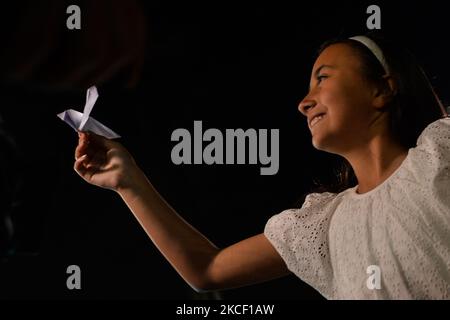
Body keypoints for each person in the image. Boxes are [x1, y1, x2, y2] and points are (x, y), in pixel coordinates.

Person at [73, 33, 450, 299]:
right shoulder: (324, 223)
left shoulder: (440, 154)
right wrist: (129, 182)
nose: (305, 102)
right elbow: (207, 270)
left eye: (323, 78)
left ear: (382, 89)